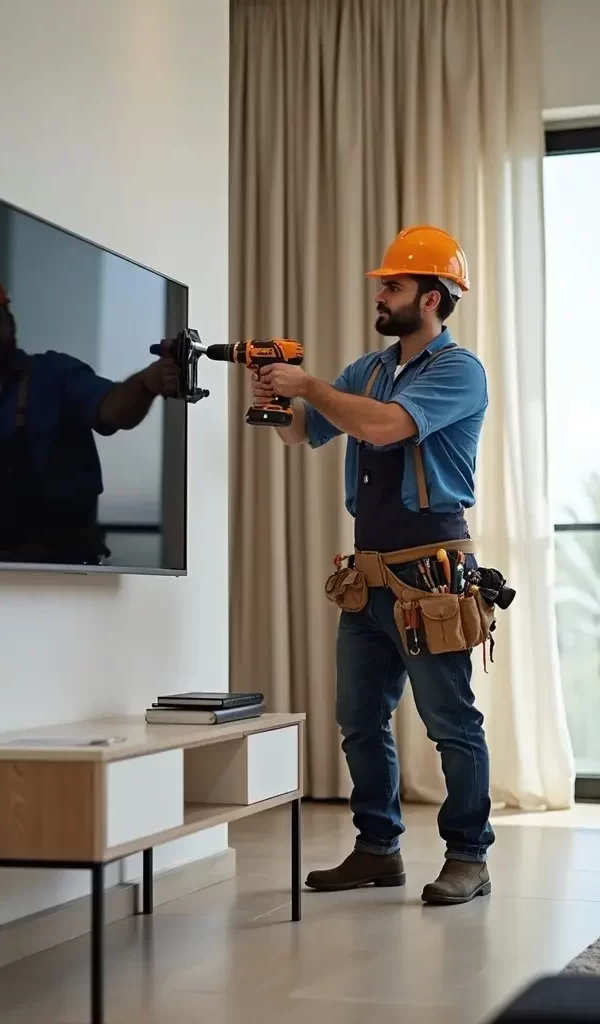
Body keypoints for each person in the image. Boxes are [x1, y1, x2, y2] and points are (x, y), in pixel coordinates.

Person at [251, 225, 494, 906]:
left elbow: (385, 427)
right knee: (359, 717)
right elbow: (307, 432)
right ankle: (377, 849)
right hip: (367, 572)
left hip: (431, 570)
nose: (381, 295)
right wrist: (276, 400)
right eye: (383, 285)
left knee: (450, 721)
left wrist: (311, 384)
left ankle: (469, 858)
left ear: (433, 296)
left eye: (394, 285)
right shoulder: (369, 369)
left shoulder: (458, 370)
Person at [0, 260, 178, 564]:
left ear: (10, 321)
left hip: (65, 570)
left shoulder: (56, 375)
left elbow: (113, 411)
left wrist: (146, 383)